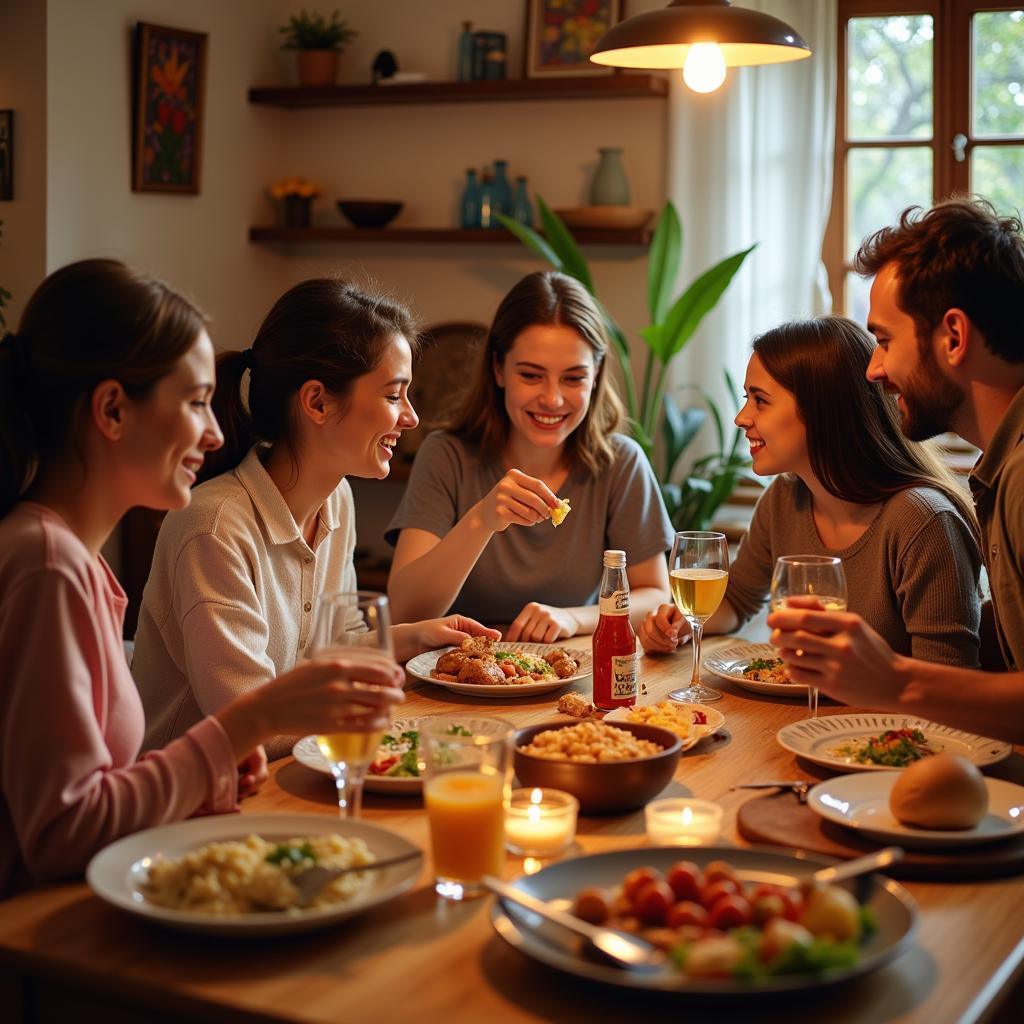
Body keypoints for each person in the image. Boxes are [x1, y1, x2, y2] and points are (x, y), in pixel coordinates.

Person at [0, 260, 405, 897]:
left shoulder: (69, 559)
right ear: (111, 410)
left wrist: (204, 773)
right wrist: (242, 727)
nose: (217, 431)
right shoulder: (49, 566)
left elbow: (102, 788)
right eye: (194, 403)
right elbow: (58, 837)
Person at [133, 279, 498, 759]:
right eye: (394, 395)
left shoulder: (336, 500)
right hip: (200, 804)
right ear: (318, 402)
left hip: (288, 774)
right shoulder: (215, 529)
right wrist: (392, 723)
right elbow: (248, 725)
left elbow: (331, 649)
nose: (411, 417)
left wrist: (416, 636)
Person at [768, 199, 1024, 743]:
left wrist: (893, 680)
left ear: (953, 337)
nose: (873, 369)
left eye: (884, 340)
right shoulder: (1001, 469)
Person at [639, 315, 982, 667]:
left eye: (760, 400)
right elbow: (738, 602)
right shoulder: (785, 498)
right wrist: (682, 624)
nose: (741, 417)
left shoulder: (923, 522)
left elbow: (947, 676)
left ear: (823, 411)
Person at [385, 270, 673, 641]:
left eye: (573, 378)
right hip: (463, 675)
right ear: (498, 369)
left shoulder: (621, 462)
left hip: (574, 672)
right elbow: (405, 611)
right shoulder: (446, 455)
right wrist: (482, 520)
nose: (552, 399)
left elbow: (654, 596)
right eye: (532, 376)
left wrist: (572, 619)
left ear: (597, 375)